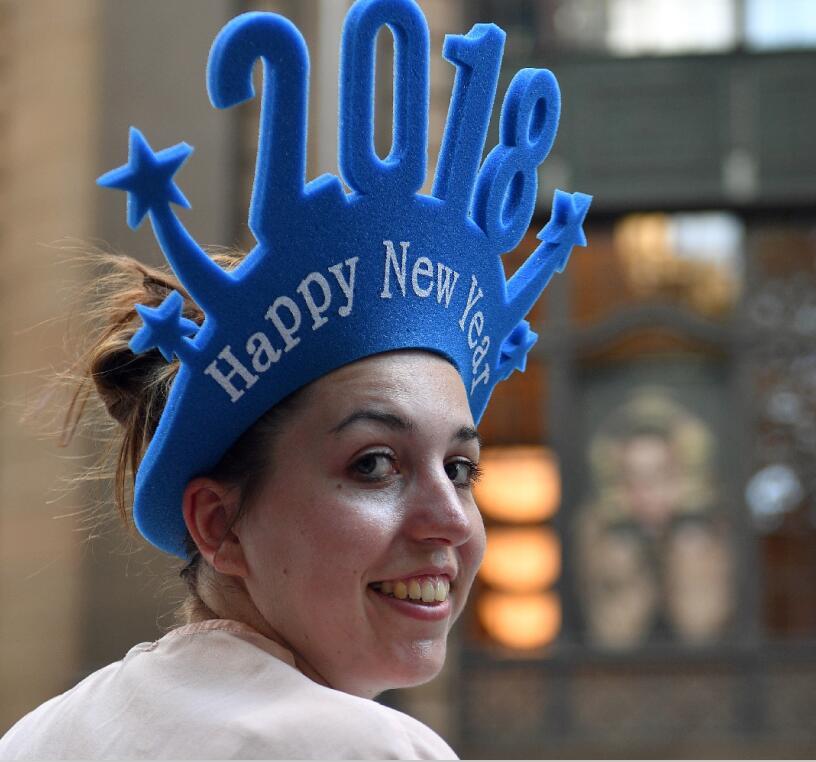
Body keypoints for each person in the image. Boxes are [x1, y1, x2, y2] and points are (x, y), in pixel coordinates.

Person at [0, 0, 589, 758]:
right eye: (374, 464)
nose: (453, 521)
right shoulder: (362, 747)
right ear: (218, 524)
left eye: (463, 467)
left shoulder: (37, 737)